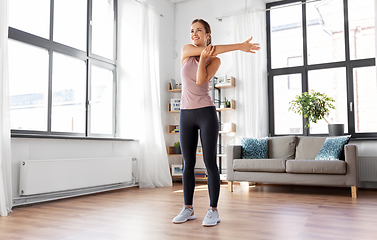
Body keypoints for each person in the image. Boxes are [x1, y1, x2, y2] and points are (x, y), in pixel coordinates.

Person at [172, 19, 260, 227]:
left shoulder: (215, 60)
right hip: (186, 114)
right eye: (192, 30)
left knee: (211, 163)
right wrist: (236, 46)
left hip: (206, 114)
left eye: (199, 31)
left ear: (208, 34)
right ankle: (188, 208)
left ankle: (213, 210)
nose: (194, 34)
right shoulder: (185, 51)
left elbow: (201, 80)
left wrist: (204, 58)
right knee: (188, 163)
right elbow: (210, 50)